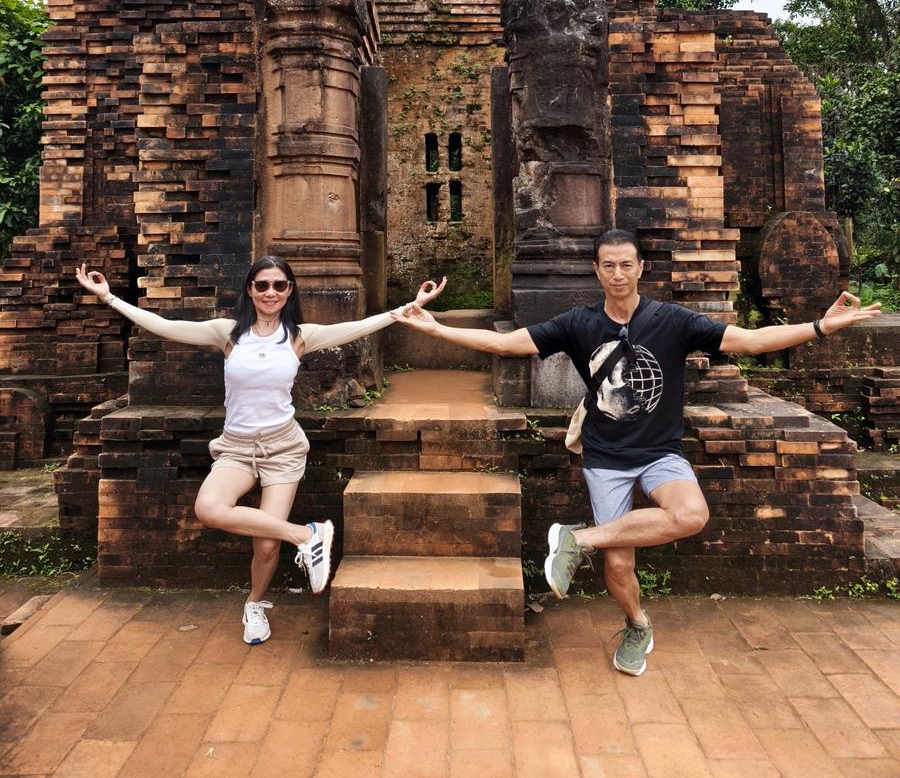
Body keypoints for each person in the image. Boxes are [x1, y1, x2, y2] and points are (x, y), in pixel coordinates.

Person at [394, 229, 881, 676]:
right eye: (608, 265)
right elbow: (504, 344)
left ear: (641, 268)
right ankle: (636, 624)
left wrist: (821, 326)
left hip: (659, 454)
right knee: (620, 564)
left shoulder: (672, 321)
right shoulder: (578, 324)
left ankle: (579, 540)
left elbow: (751, 342)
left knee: (691, 515)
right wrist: (435, 328)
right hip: (606, 457)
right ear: (597, 271)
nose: (618, 274)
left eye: (626, 264)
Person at [75, 256, 442, 645]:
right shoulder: (228, 333)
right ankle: (307, 535)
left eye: (279, 285)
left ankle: (255, 604)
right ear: (250, 289)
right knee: (209, 509)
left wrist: (407, 308)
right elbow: (166, 327)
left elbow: (356, 328)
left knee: (266, 544)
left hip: (282, 448)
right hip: (236, 448)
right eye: (262, 285)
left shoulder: (301, 336)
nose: (270, 292)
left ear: (289, 291)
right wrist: (109, 297)